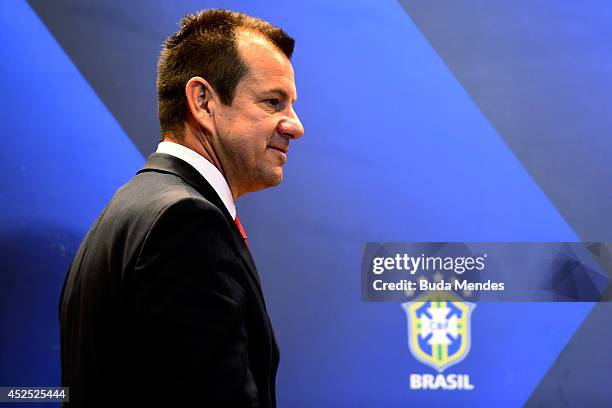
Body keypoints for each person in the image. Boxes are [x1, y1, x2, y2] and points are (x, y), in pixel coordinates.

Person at [59, 9, 304, 407]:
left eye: (290, 104)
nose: (295, 125)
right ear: (203, 101)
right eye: (273, 102)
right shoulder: (186, 223)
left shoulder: (134, 207)